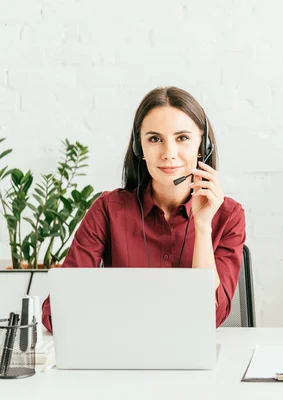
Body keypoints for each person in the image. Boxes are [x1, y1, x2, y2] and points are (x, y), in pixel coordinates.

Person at [42, 87, 246, 330]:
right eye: (154, 139)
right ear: (139, 148)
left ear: (203, 145)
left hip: (192, 360)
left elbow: (210, 319)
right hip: (120, 355)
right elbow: (56, 313)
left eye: (182, 138)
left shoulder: (228, 215)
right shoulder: (108, 210)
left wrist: (202, 226)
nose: (169, 154)